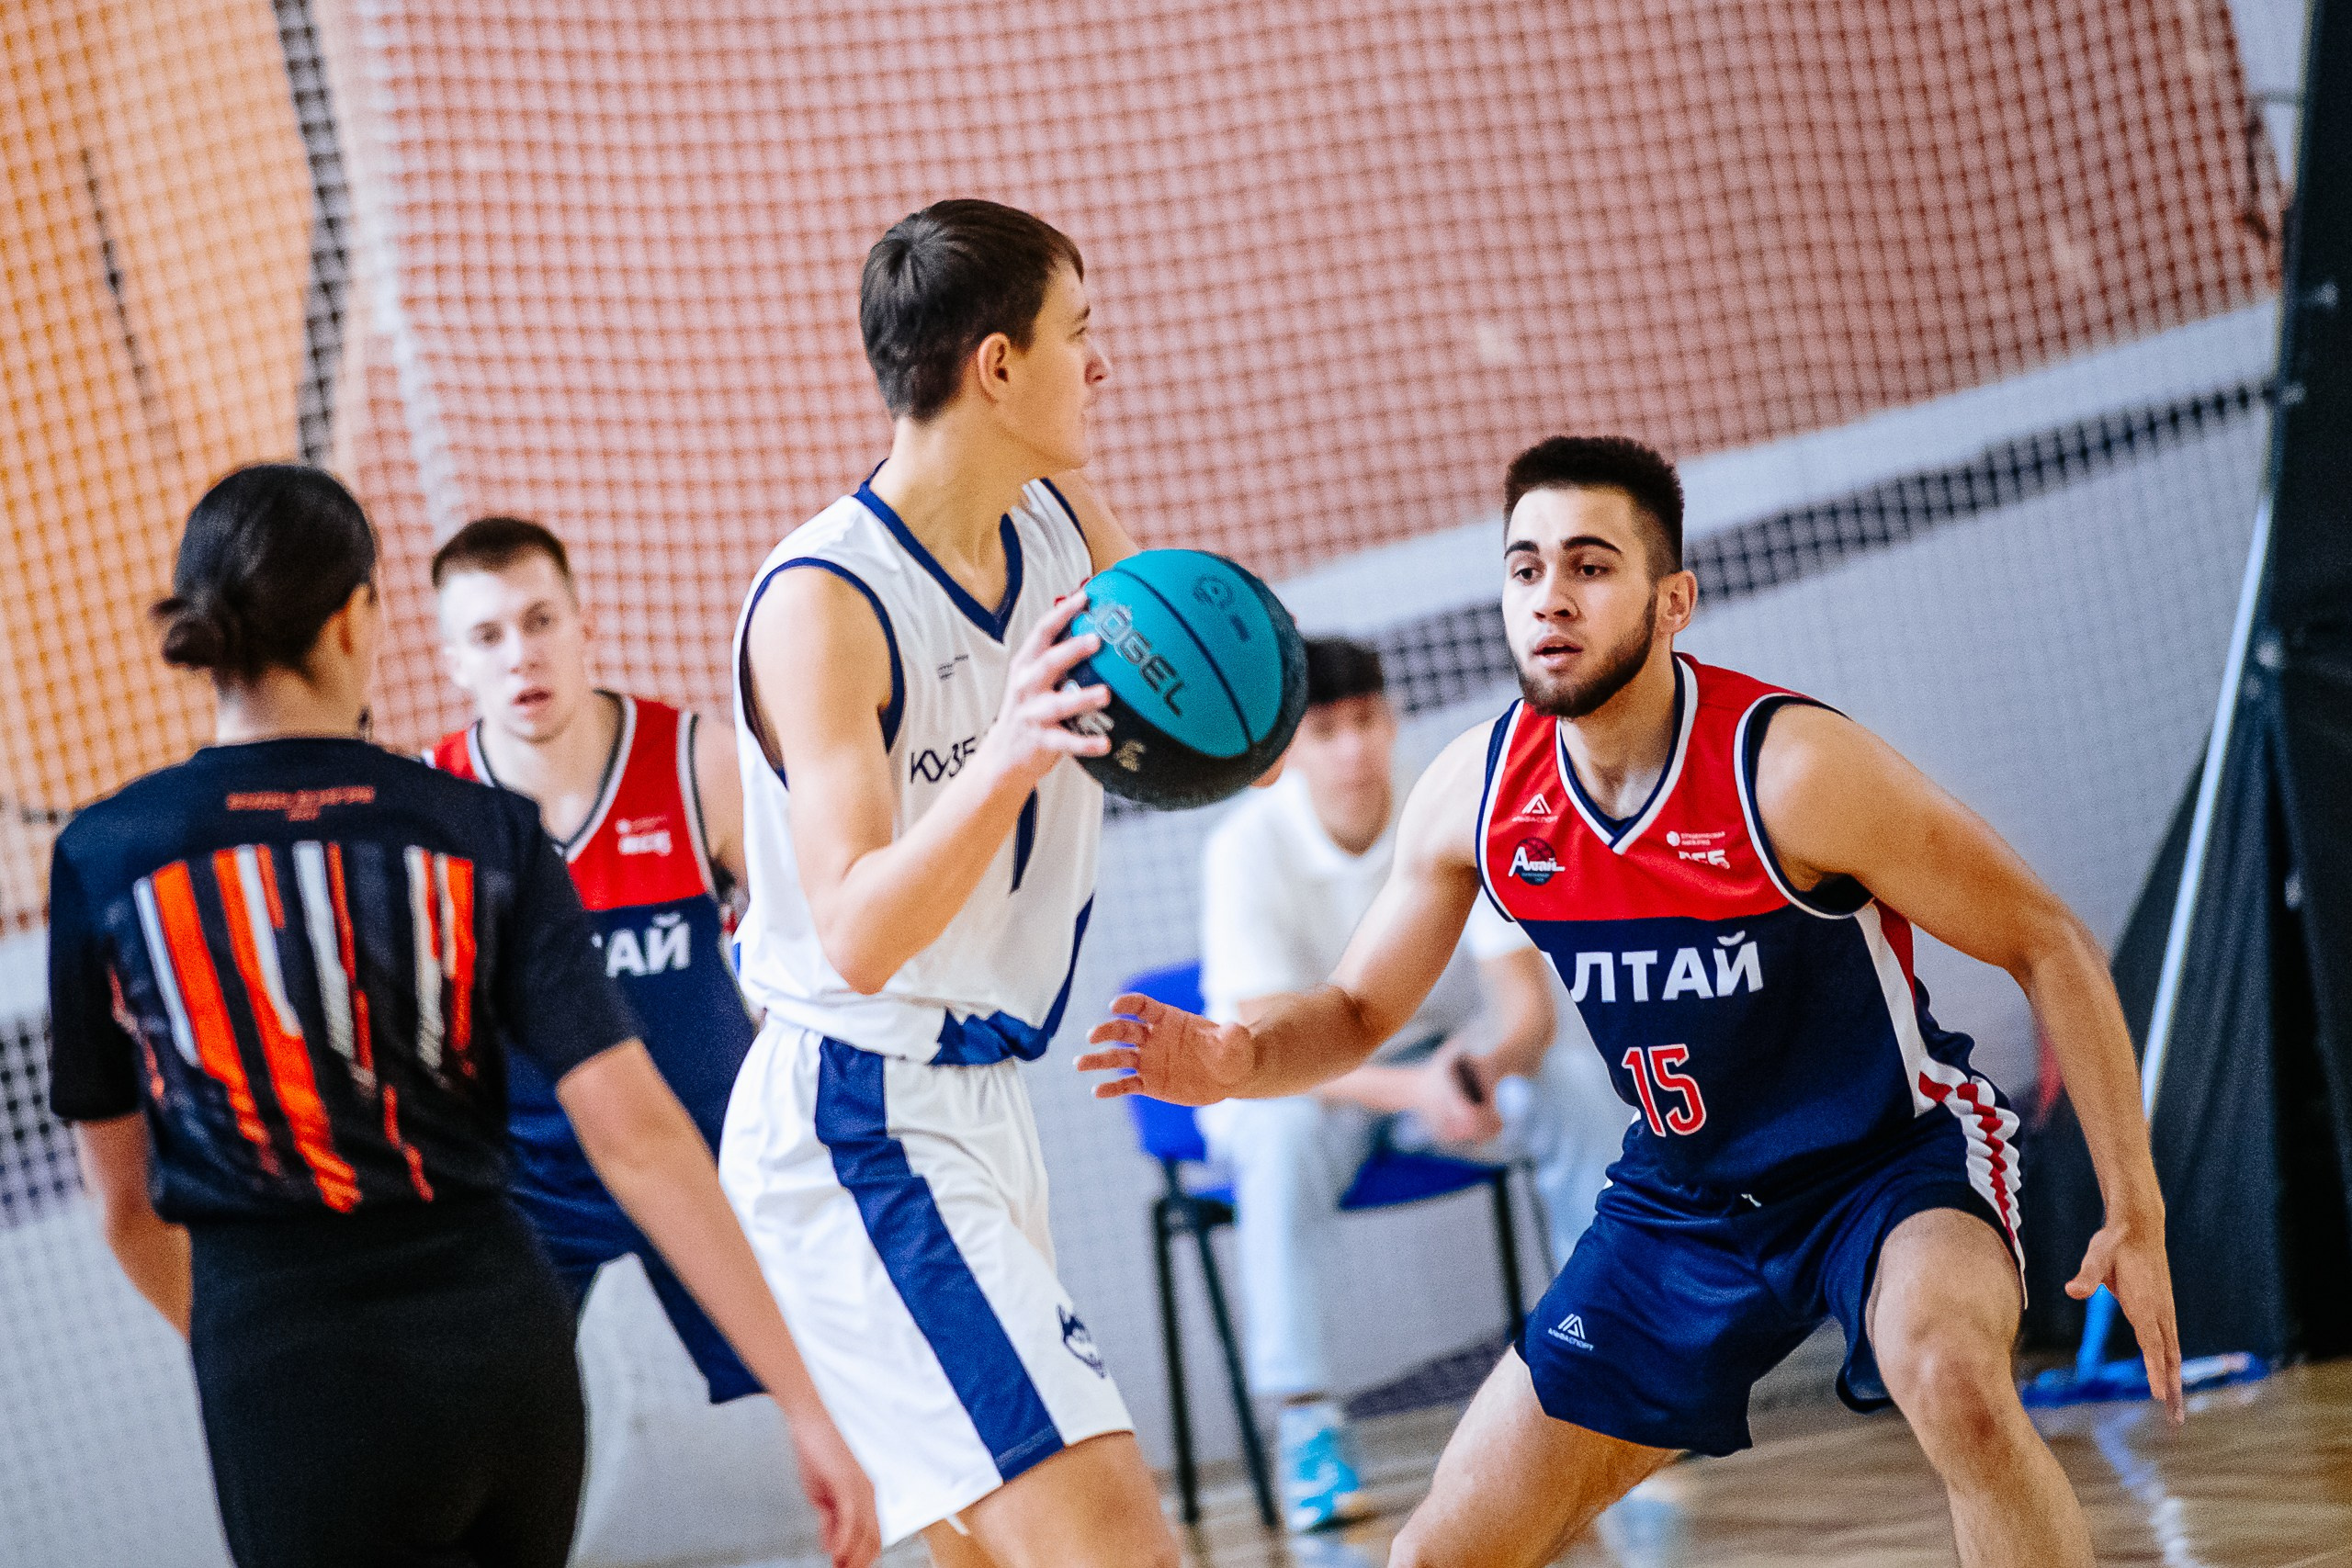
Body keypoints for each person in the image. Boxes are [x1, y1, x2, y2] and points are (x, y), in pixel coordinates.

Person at [1084, 435, 2182, 1568]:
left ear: (1673, 602)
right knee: (1436, 1556)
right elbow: (1357, 1011)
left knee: (1951, 1379)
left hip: (1886, 1166)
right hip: (1681, 1205)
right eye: (1524, 569)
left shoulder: (1791, 771)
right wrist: (1241, 1057)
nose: (1548, 598)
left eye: (1589, 566)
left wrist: (2134, 1211)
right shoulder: (1479, 794)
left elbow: (2045, 940)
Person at [46, 465, 877, 1568]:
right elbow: (639, 1137)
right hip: (500, 1352)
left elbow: (126, 1209)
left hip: (289, 1372)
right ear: (356, 619)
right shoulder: (478, 831)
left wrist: (245, 1350)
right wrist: (809, 1408)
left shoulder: (105, 857)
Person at [721, 199, 1178, 1565]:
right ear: (997, 364)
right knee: (1111, 1540)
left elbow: (1204, 730)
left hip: (977, 1102)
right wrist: (1011, 752)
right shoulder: (825, 601)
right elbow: (856, 932)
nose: (1101, 364)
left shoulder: (1062, 529)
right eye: (1078, 332)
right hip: (860, 1107)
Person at [1197, 634, 1619, 1530]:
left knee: (1574, 1088)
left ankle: (1614, 1369)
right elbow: (1263, 1045)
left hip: (1439, 1064)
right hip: (1312, 1085)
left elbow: (1526, 1011)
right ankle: (1306, 1423)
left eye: (1366, 721)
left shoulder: (1454, 805)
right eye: (1326, 731)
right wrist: (1414, 1089)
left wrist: (1477, 1071)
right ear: (1290, 748)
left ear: (1390, 720)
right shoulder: (1244, 847)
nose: (1353, 749)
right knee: (1275, 1130)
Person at [427, 514, 761, 1404]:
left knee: (832, 1398)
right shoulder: (433, 809)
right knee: (493, 1415)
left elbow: (804, 959)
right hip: (528, 1181)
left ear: (586, 626)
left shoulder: (699, 762)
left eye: (540, 621)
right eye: (488, 637)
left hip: (713, 1154)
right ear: (453, 662)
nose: (521, 656)